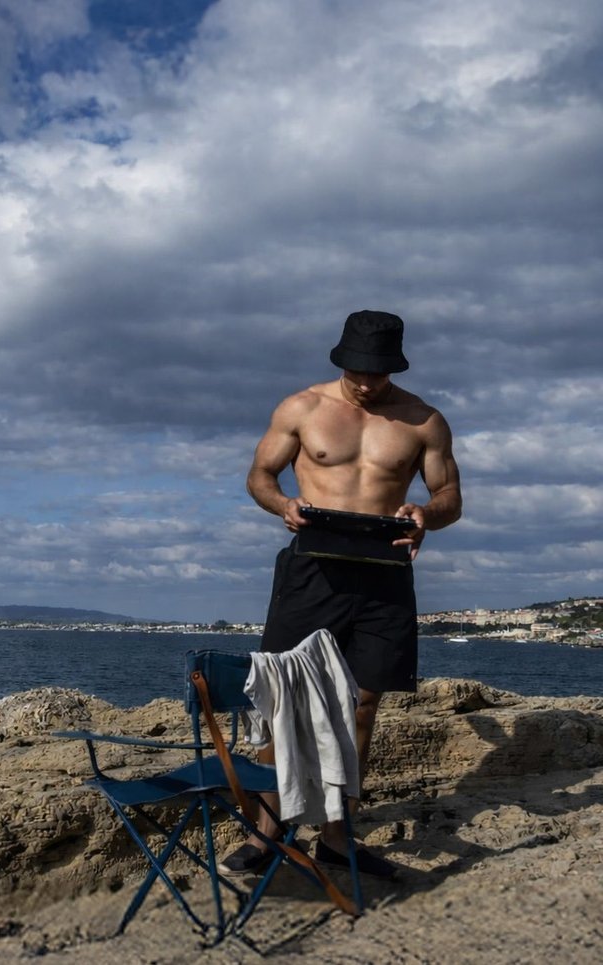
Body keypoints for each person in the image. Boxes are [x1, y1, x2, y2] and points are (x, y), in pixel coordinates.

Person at [221, 309, 462, 880]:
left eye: (376, 374)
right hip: (312, 572)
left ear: (395, 367)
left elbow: (450, 494)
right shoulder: (301, 408)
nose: (365, 382)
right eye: (356, 370)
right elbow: (259, 476)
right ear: (341, 360)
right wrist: (283, 505)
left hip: (384, 575)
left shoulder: (423, 420)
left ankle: (335, 836)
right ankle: (266, 833)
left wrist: (426, 513)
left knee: (362, 705)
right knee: (283, 697)